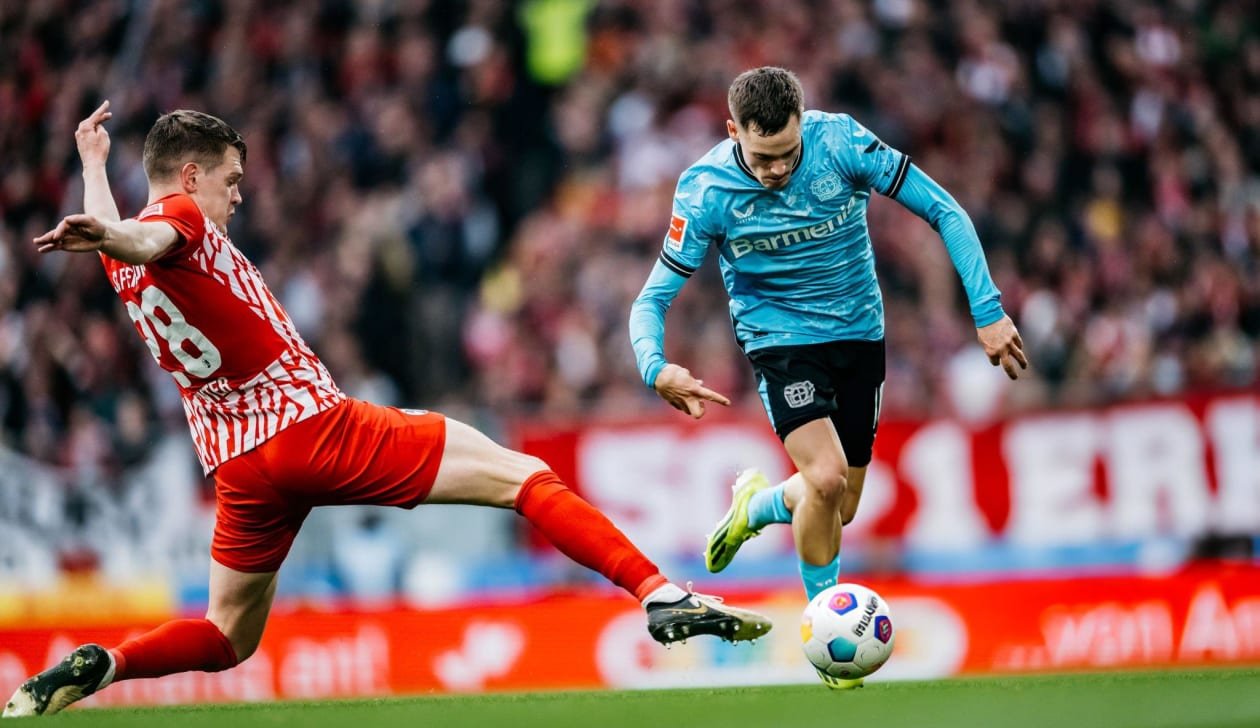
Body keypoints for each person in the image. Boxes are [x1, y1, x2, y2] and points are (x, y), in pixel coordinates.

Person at [4, 102, 771, 718]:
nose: (238, 195)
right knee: (522, 476)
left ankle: (108, 662)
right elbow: (146, 235)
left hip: (239, 467)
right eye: (231, 180)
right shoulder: (182, 218)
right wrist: (114, 226)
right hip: (309, 428)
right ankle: (660, 595)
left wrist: (92, 169)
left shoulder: (117, 261)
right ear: (192, 174)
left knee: (227, 636)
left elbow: (122, 240)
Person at [629, 67, 1027, 686]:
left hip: (859, 334)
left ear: (803, 125)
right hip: (779, 342)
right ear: (733, 132)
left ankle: (760, 504)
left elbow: (944, 210)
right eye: (762, 157)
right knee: (825, 476)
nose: (776, 170)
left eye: (787, 153)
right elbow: (651, 299)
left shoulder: (841, 143)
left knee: (839, 506)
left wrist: (988, 310)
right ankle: (827, 633)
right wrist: (655, 367)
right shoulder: (705, 190)